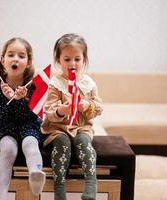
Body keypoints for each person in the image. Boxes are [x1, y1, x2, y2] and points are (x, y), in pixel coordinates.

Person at [41, 33, 103, 200]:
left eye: (77, 59)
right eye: (67, 59)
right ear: (59, 60)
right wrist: (62, 110)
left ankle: (91, 182)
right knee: (62, 143)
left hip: (82, 126)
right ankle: (59, 187)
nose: (72, 64)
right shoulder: (56, 83)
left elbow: (98, 108)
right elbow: (49, 111)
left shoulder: (88, 83)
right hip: (59, 128)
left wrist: (87, 106)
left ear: (84, 60)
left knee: (83, 141)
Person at [0, 37, 46, 200]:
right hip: (6, 126)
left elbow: (34, 115)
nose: (15, 59)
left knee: (30, 145)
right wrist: (8, 98)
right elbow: (4, 115)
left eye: (21, 56)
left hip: (29, 124)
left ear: (28, 62)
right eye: (11, 55)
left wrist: (21, 100)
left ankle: (35, 173)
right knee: (8, 150)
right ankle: (2, 194)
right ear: (3, 60)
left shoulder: (33, 85)